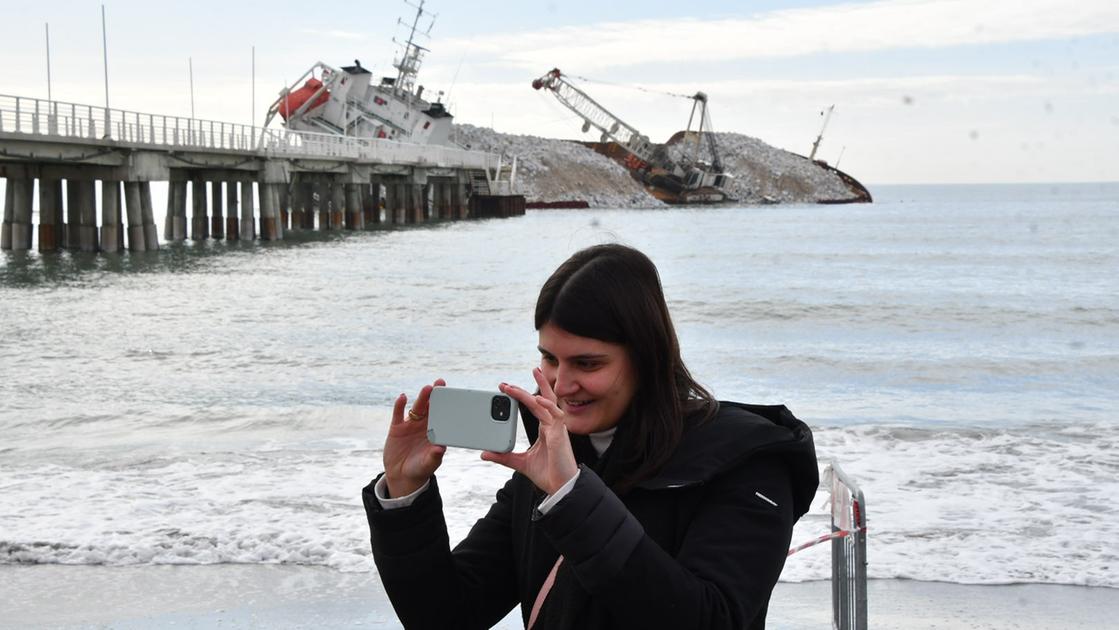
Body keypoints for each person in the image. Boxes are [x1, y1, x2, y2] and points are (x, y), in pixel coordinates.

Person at [362, 243, 819, 629]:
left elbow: (714, 619)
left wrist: (572, 497)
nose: (561, 385)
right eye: (550, 359)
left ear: (646, 358)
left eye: (587, 363)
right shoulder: (550, 464)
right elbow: (445, 616)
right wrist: (406, 494)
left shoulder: (748, 464)